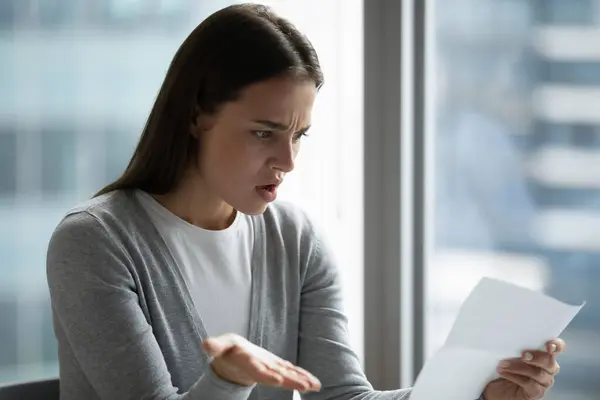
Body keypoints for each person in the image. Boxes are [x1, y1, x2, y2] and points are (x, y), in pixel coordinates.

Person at [45, 3, 565, 400]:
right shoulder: (94, 242)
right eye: (264, 132)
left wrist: (476, 394)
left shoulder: (293, 238)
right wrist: (225, 378)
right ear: (196, 115)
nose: (287, 161)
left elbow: (344, 397)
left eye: (299, 136)